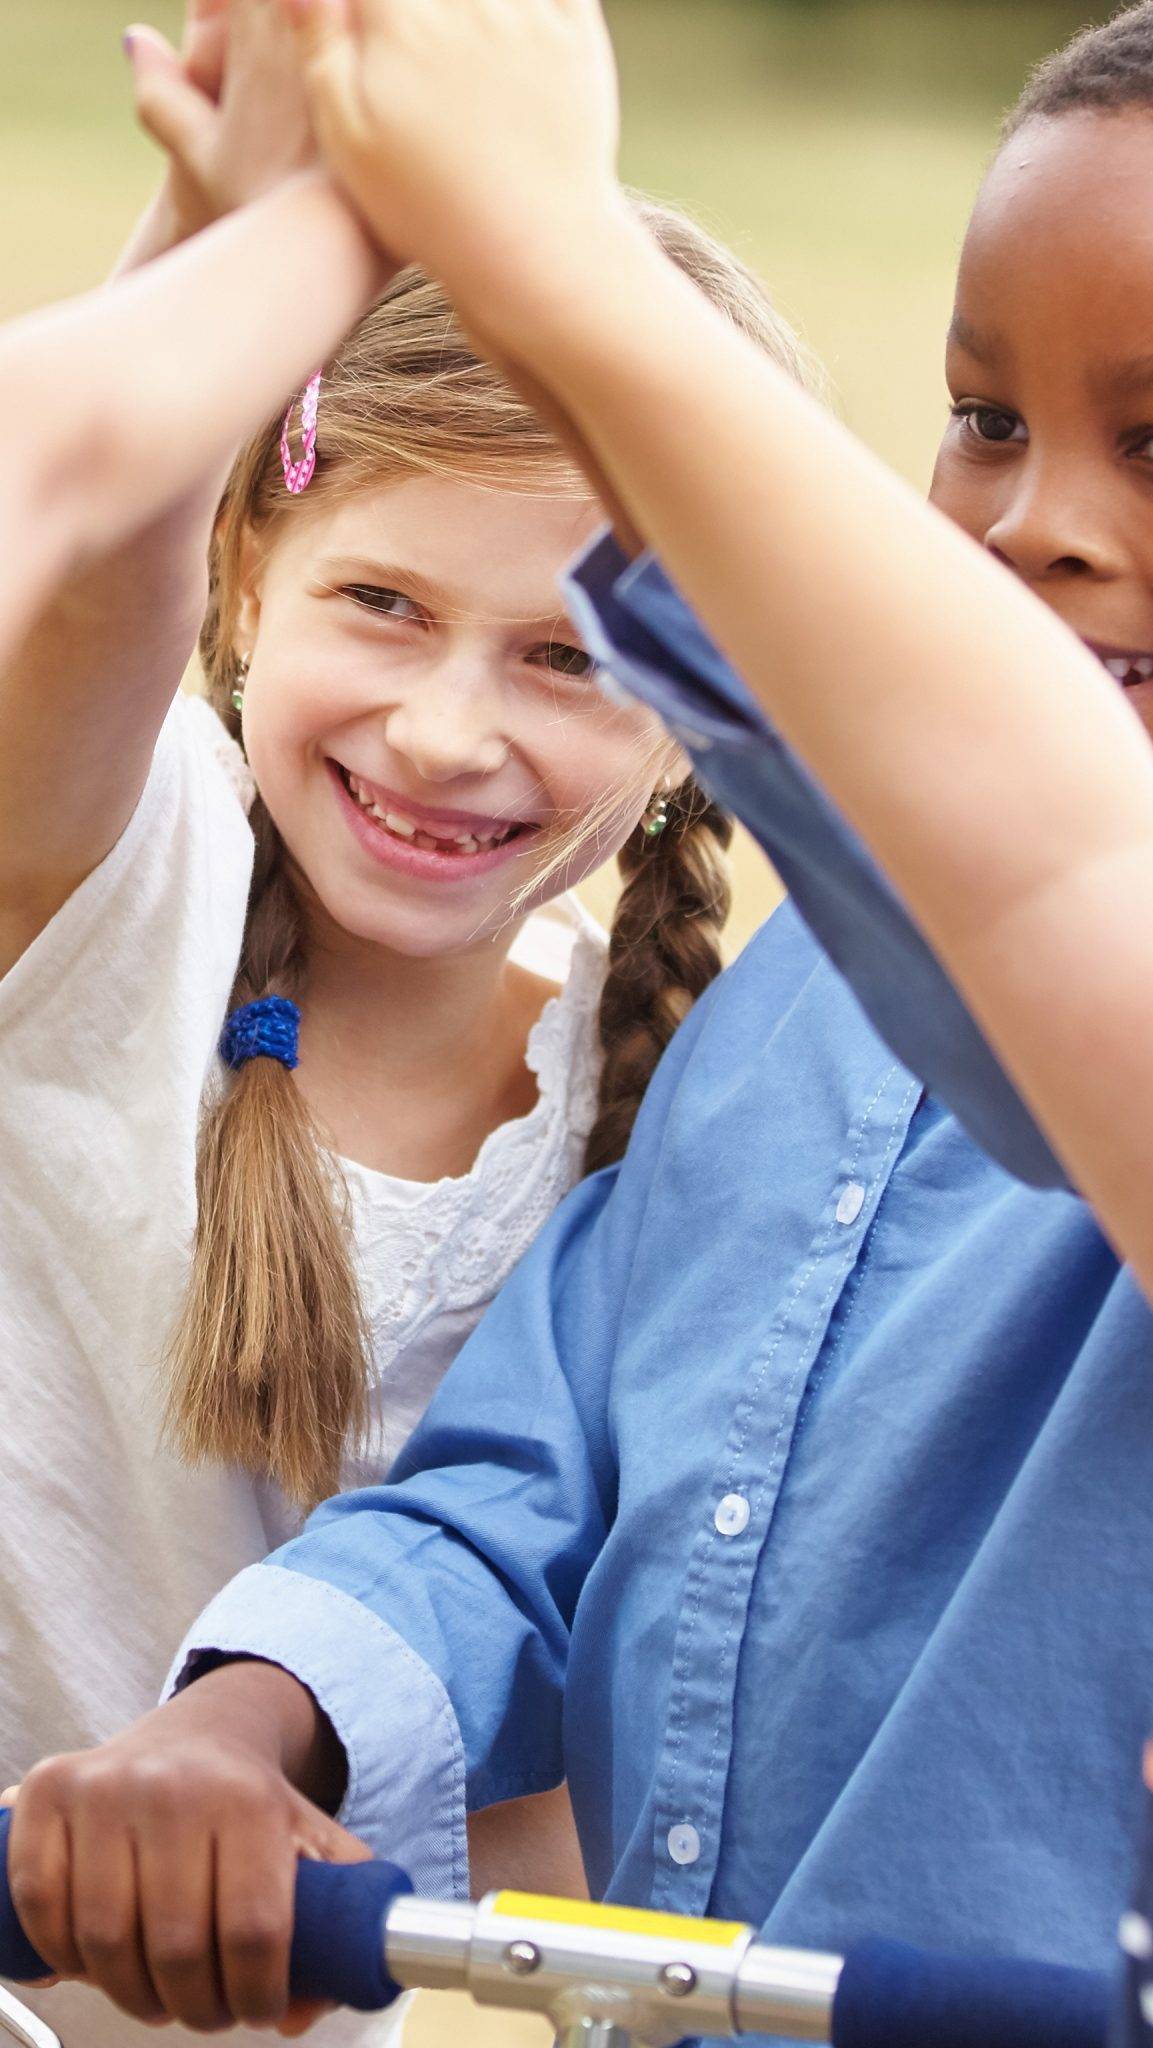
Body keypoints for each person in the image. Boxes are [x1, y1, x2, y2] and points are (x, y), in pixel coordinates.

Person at [5, 0, 1153, 2035]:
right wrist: (258, 1714)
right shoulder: (796, 1003)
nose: (1035, 521)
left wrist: (547, 263)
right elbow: (541, 1457)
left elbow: (1067, 938)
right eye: (985, 418)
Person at [0, 5, 807, 2039]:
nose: (452, 732)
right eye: (384, 605)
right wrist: (233, 213)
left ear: (701, 693)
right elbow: (72, 542)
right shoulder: (123, 890)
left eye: (567, 655)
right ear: (250, 565)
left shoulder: (677, 1108)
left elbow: (546, 1787)